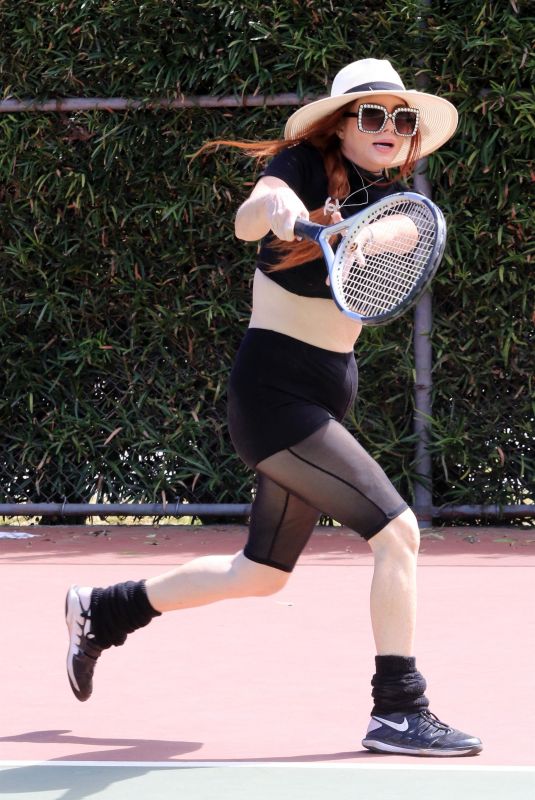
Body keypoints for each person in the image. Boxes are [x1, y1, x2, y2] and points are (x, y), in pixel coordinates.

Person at [65, 58, 482, 756]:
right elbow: (248, 216)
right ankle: (398, 710)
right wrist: (275, 210)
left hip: (317, 395)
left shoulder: (391, 201)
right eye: (372, 114)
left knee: (258, 574)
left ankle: (103, 611)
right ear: (340, 123)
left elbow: (402, 234)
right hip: (276, 400)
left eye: (401, 119)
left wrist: (354, 234)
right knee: (397, 532)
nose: (390, 129)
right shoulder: (302, 164)